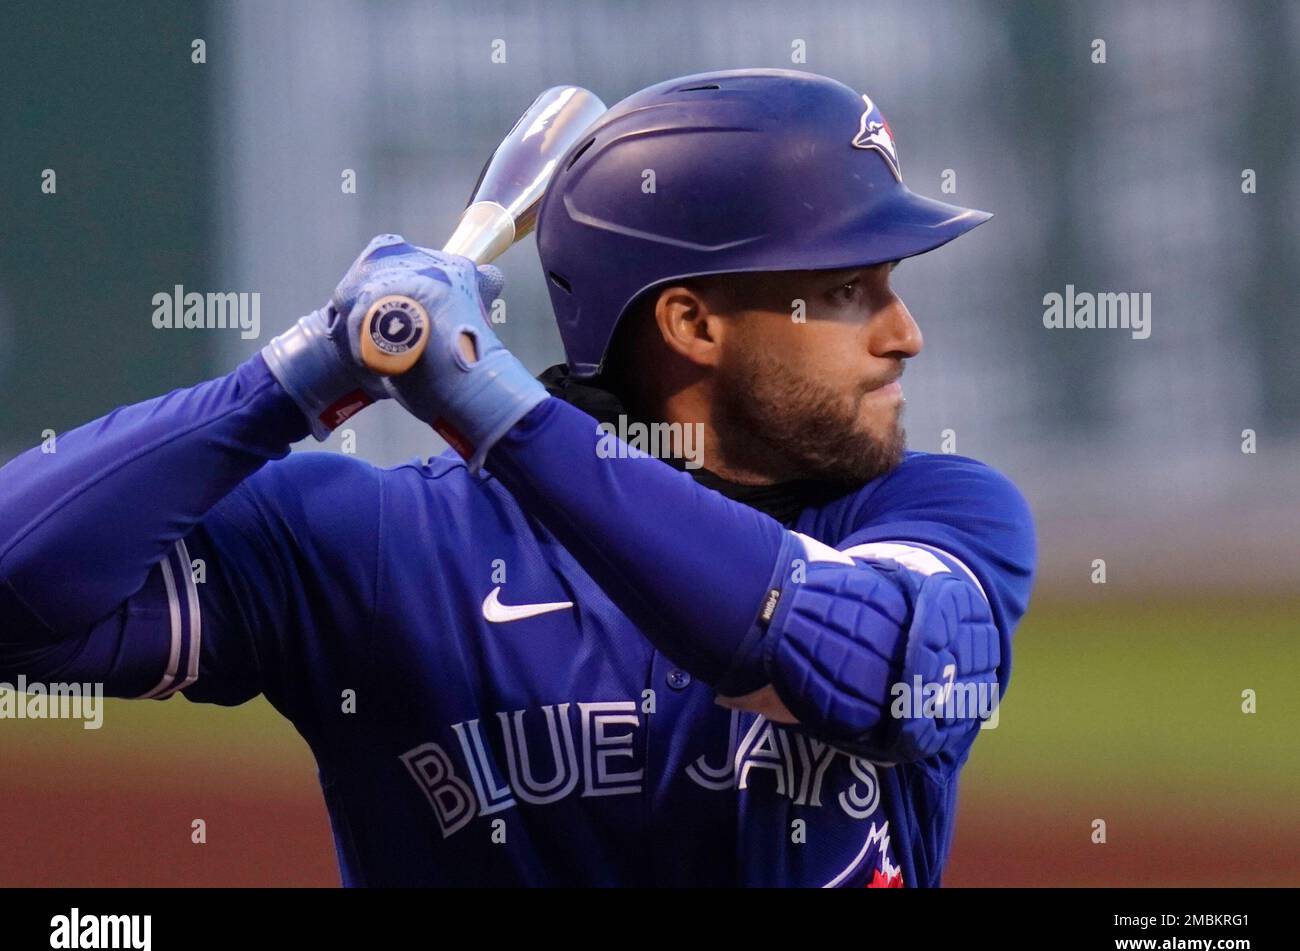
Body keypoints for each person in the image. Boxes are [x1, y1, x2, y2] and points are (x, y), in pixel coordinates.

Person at [0, 69, 1034, 887]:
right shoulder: (373, 547)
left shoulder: (932, 512)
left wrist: (491, 406)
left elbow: (877, 664)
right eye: (849, 291)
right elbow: (18, 594)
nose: (905, 335)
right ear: (693, 324)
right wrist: (293, 377)